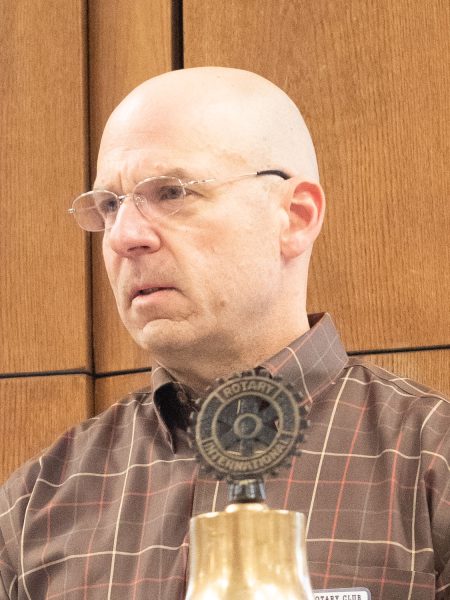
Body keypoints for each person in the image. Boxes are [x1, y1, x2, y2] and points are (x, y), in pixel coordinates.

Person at [0, 67, 448, 600]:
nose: (124, 236)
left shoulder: (433, 466)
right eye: (111, 206)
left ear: (295, 217)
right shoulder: (35, 506)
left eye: (171, 192)